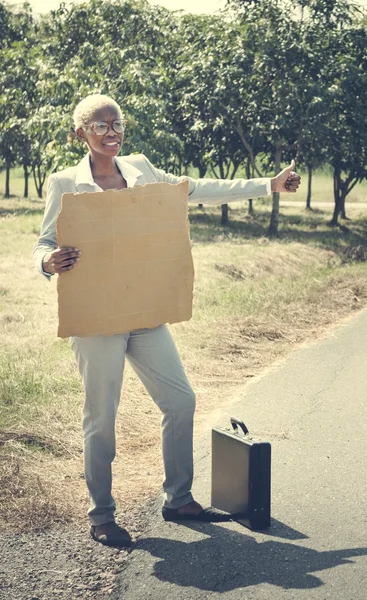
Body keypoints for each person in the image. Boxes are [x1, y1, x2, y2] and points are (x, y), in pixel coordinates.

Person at [33, 94, 301, 547]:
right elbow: (42, 243)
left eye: (116, 124)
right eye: (100, 126)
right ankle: (101, 513)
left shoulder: (142, 168)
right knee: (102, 418)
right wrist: (49, 261)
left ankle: (178, 498)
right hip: (96, 319)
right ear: (81, 134)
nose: (111, 132)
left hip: (145, 312)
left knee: (180, 401)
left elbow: (196, 189)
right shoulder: (64, 184)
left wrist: (268, 185)